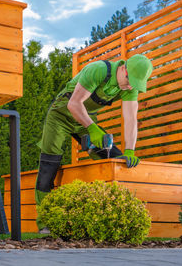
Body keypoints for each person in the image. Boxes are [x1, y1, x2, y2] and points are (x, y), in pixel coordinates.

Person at [35, 54, 153, 234]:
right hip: (61, 114)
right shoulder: (98, 70)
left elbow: (131, 119)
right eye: (130, 81)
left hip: (85, 120)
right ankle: (44, 221)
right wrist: (92, 129)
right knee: (49, 165)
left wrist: (130, 150)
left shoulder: (130, 86)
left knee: (115, 159)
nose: (130, 87)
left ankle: (114, 217)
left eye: (135, 85)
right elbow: (74, 104)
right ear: (123, 68)